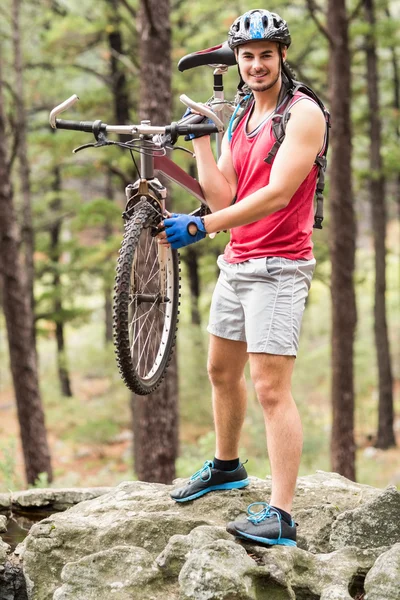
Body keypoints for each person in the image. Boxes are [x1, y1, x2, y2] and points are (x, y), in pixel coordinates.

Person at [157, 8, 327, 548]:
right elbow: (223, 195)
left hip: (279, 266)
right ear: (237, 61)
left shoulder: (303, 115)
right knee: (219, 371)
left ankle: (280, 515)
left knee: (271, 388)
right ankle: (227, 465)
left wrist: (203, 227)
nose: (256, 64)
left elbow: (275, 195)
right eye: (247, 56)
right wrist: (203, 139)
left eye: (265, 55)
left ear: (282, 56)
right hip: (238, 261)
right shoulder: (241, 116)